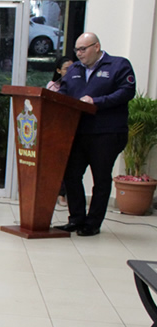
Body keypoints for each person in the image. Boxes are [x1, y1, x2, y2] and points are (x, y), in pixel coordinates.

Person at [56, 32, 136, 237]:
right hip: (78, 131)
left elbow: (126, 92)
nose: (79, 54)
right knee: (72, 175)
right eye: (77, 50)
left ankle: (93, 223)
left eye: (83, 49)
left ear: (97, 46)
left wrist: (96, 102)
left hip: (106, 132)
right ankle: (76, 219)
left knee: (100, 177)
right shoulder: (73, 69)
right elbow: (63, 94)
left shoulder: (118, 65)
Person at [47, 55, 75, 207]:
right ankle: (58, 194)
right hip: (56, 129)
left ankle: (66, 194)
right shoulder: (53, 86)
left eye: (73, 69)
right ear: (58, 71)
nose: (70, 72)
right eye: (66, 69)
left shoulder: (78, 85)